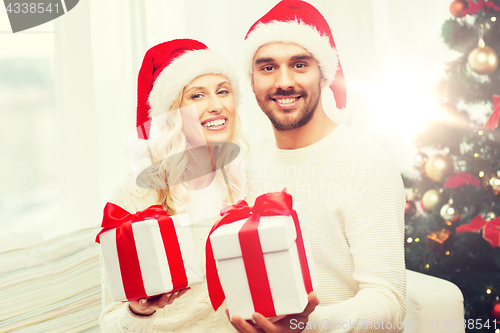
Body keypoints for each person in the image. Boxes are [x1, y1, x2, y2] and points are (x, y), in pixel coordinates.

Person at [231, 1, 406, 332]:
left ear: (324, 74)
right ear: (251, 82)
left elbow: (388, 302)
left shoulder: (366, 163)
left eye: (299, 65)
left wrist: (303, 327)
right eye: (267, 68)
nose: (284, 82)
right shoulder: (247, 166)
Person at [99, 39, 247, 333]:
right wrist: (138, 310)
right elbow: (109, 323)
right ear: (171, 114)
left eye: (222, 91)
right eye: (197, 96)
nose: (216, 105)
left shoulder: (247, 182)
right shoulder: (134, 197)